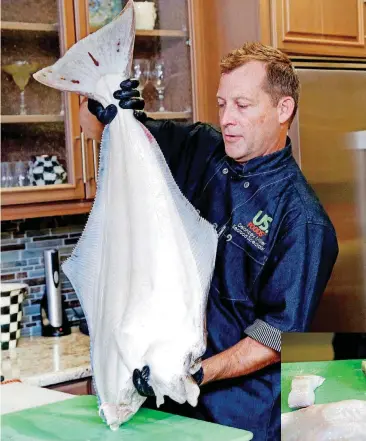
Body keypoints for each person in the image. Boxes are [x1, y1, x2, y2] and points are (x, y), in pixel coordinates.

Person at [80, 42, 339, 441]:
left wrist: (196, 373)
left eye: (242, 105)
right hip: (166, 412)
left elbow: (274, 339)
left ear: (283, 110)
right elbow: (99, 129)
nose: (227, 118)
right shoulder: (201, 149)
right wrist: (104, 100)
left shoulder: (302, 221)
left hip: (240, 419)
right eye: (222, 104)